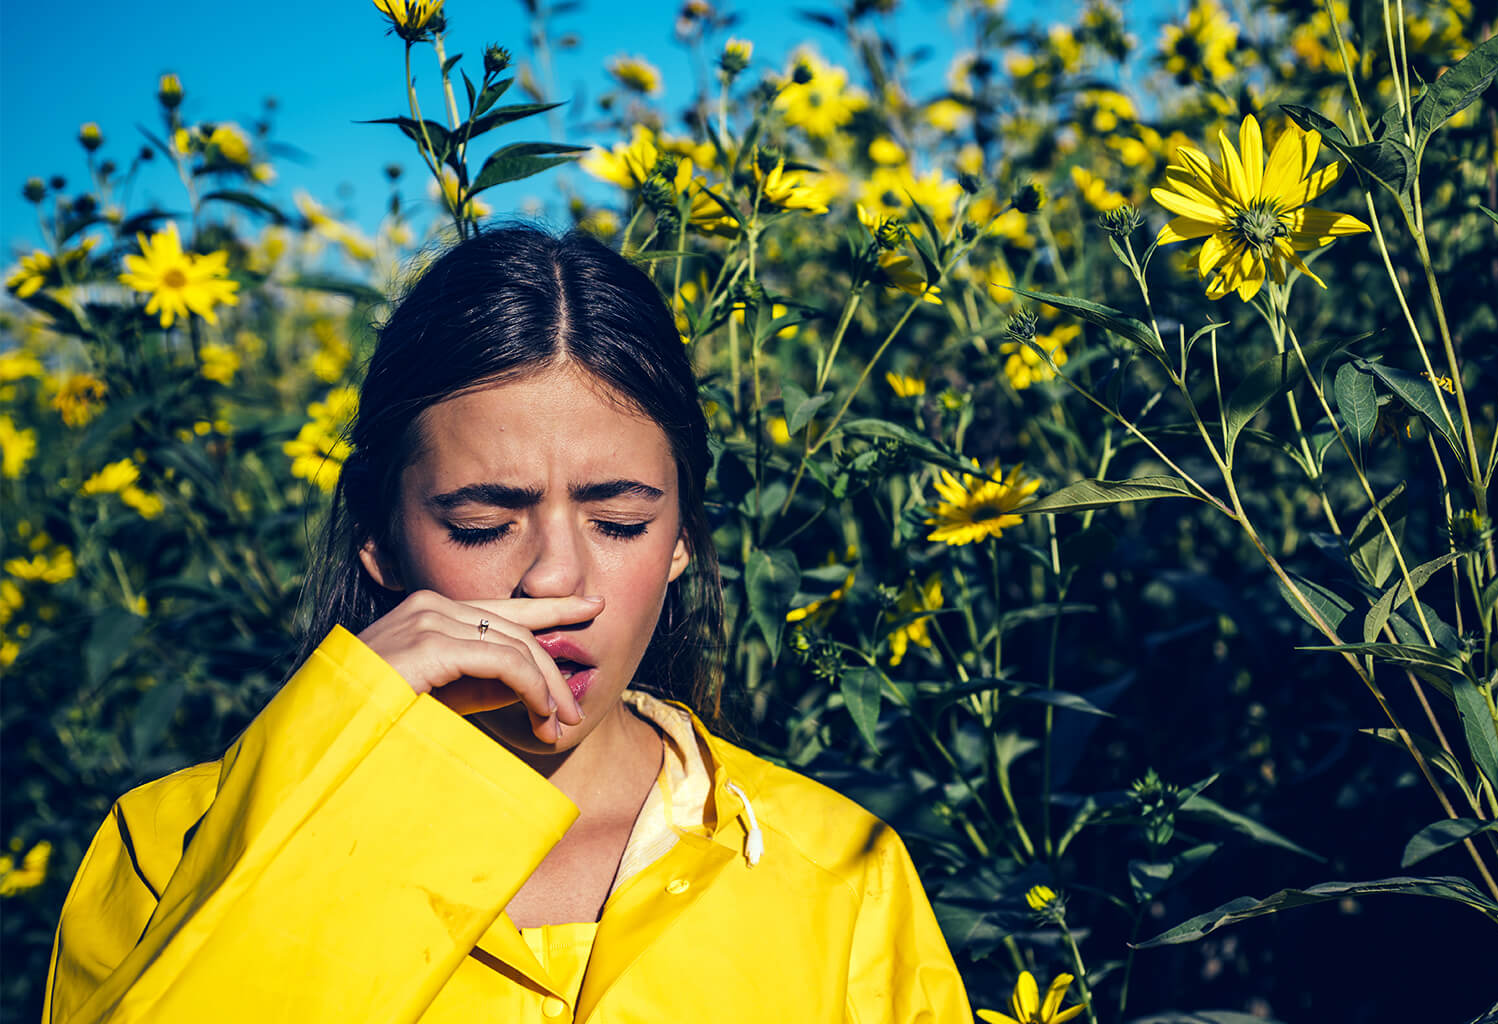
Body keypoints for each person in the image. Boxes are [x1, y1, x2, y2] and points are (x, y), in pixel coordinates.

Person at [41, 225, 973, 1023]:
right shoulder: (170, 848)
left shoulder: (843, 875)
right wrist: (324, 782)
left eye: (621, 522)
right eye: (483, 525)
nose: (555, 576)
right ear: (379, 540)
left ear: (685, 538)